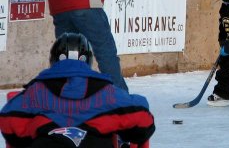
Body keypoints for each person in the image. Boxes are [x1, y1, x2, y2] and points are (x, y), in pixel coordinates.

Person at [0, 33, 155, 148]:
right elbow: (142, 119)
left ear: (53, 60)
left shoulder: (35, 92)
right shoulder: (106, 92)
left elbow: (8, 123)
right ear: (88, 61)